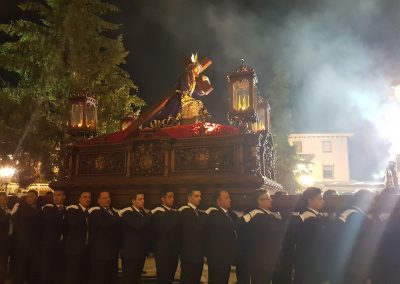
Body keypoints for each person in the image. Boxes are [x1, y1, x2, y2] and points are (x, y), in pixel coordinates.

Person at [205, 190, 263, 284]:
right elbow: (230, 225)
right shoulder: (214, 213)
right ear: (218, 201)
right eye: (226, 198)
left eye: (229, 197)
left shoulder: (230, 214)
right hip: (217, 259)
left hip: (226, 259)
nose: (230, 200)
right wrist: (251, 214)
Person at [331, 189, 376, 284]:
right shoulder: (358, 217)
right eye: (371, 201)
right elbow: (363, 248)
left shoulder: (345, 213)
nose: (373, 205)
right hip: (355, 268)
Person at [247, 190, 284, 284]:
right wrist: (279, 219)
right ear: (259, 201)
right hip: (262, 263)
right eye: (268, 198)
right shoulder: (259, 216)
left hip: (266, 262)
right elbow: (278, 230)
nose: (271, 200)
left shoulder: (267, 215)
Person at [294, 187, 326, 284]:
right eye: (320, 199)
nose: (323, 202)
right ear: (310, 200)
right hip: (310, 267)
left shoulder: (314, 216)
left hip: (309, 266)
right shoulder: (308, 218)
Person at [88, 191, 120, 284]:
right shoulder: (95, 211)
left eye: (108, 197)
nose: (107, 199)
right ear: (98, 200)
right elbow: (104, 224)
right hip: (100, 253)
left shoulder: (113, 211)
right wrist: (118, 215)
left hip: (112, 252)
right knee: (100, 278)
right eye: (104, 198)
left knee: (111, 278)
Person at [119, 192, 152, 284]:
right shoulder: (128, 212)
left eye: (143, 199)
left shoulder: (142, 213)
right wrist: (150, 213)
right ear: (133, 201)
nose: (143, 201)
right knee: (129, 279)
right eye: (140, 199)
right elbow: (138, 225)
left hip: (140, 252)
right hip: (130, 253)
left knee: (136, 278)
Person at [11, 189, 42, 284]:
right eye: (28, 196)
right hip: (23, 242)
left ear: (37, 197)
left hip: (34, 243)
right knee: (21, 264)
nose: (29, 198)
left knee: (31, 265)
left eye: (32, 196)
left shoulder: (39, 208)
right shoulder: (22, 208)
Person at [179, 187, 208, 284]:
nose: (199, 198)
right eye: (196, 196)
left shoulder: (198, 212)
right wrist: (206, 214)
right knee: (187, 280)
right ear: (189, 197)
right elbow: (195, 229)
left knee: (196, 281)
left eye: (200, 196)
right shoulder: (185, 210)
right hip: (188, 255)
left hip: (198, 255)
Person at [151, 188, 180, 284]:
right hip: (163, 252)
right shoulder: (158, 211)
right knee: (163, 278)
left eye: (173, 197)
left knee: (170, 278)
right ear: (162, 199)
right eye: (170, 197)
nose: (173, 199)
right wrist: (176, 214)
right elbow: (167, 228)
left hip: (173, 252)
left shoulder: (174, 212)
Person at [64, 191, 91, 284]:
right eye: (85, 197)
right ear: (79, 199)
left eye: (89, 197)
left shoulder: (91, 211)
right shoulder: (73, 208)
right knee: (72, 275)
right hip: (74, 249)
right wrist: (86, 213)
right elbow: (73, 223)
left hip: (86, 249)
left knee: (83, 276)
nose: (88, 199)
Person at [40, 189, 66, 284]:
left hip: (61, 244)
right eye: (54, 195)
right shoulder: (48, 207)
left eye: (58, 195)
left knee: (58, 268)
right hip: (49, 244)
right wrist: (62, 212)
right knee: (46, 268)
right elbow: (50, 219)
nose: (55, 197)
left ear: (64, 197)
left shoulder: (67, 209)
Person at [0, 192, 11, 284]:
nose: (3, 201)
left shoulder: (9, 209)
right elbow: (2, 220)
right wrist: (10, 214)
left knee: (4, 261)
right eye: (1, 199)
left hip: (8, 240)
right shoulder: (9, 212)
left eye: (4, 199)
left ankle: (2, 278)